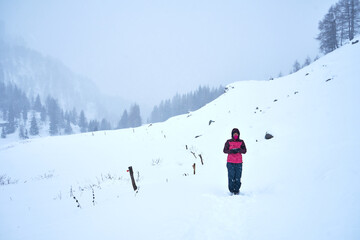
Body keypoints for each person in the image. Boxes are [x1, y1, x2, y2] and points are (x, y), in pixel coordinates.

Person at [223, 128, 247, 195]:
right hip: (230, 162)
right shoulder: (228, 141)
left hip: (239, 162)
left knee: (238, 177)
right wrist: (231, 151)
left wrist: (239, 150)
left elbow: (245, 151)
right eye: (234, 134)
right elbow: (224, 150)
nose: (235, 135)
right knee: (231, 177)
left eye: (237, 134)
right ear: (232, 135)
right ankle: (231, 190)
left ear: (239, 134)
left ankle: (236, 190)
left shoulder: (241, 142)